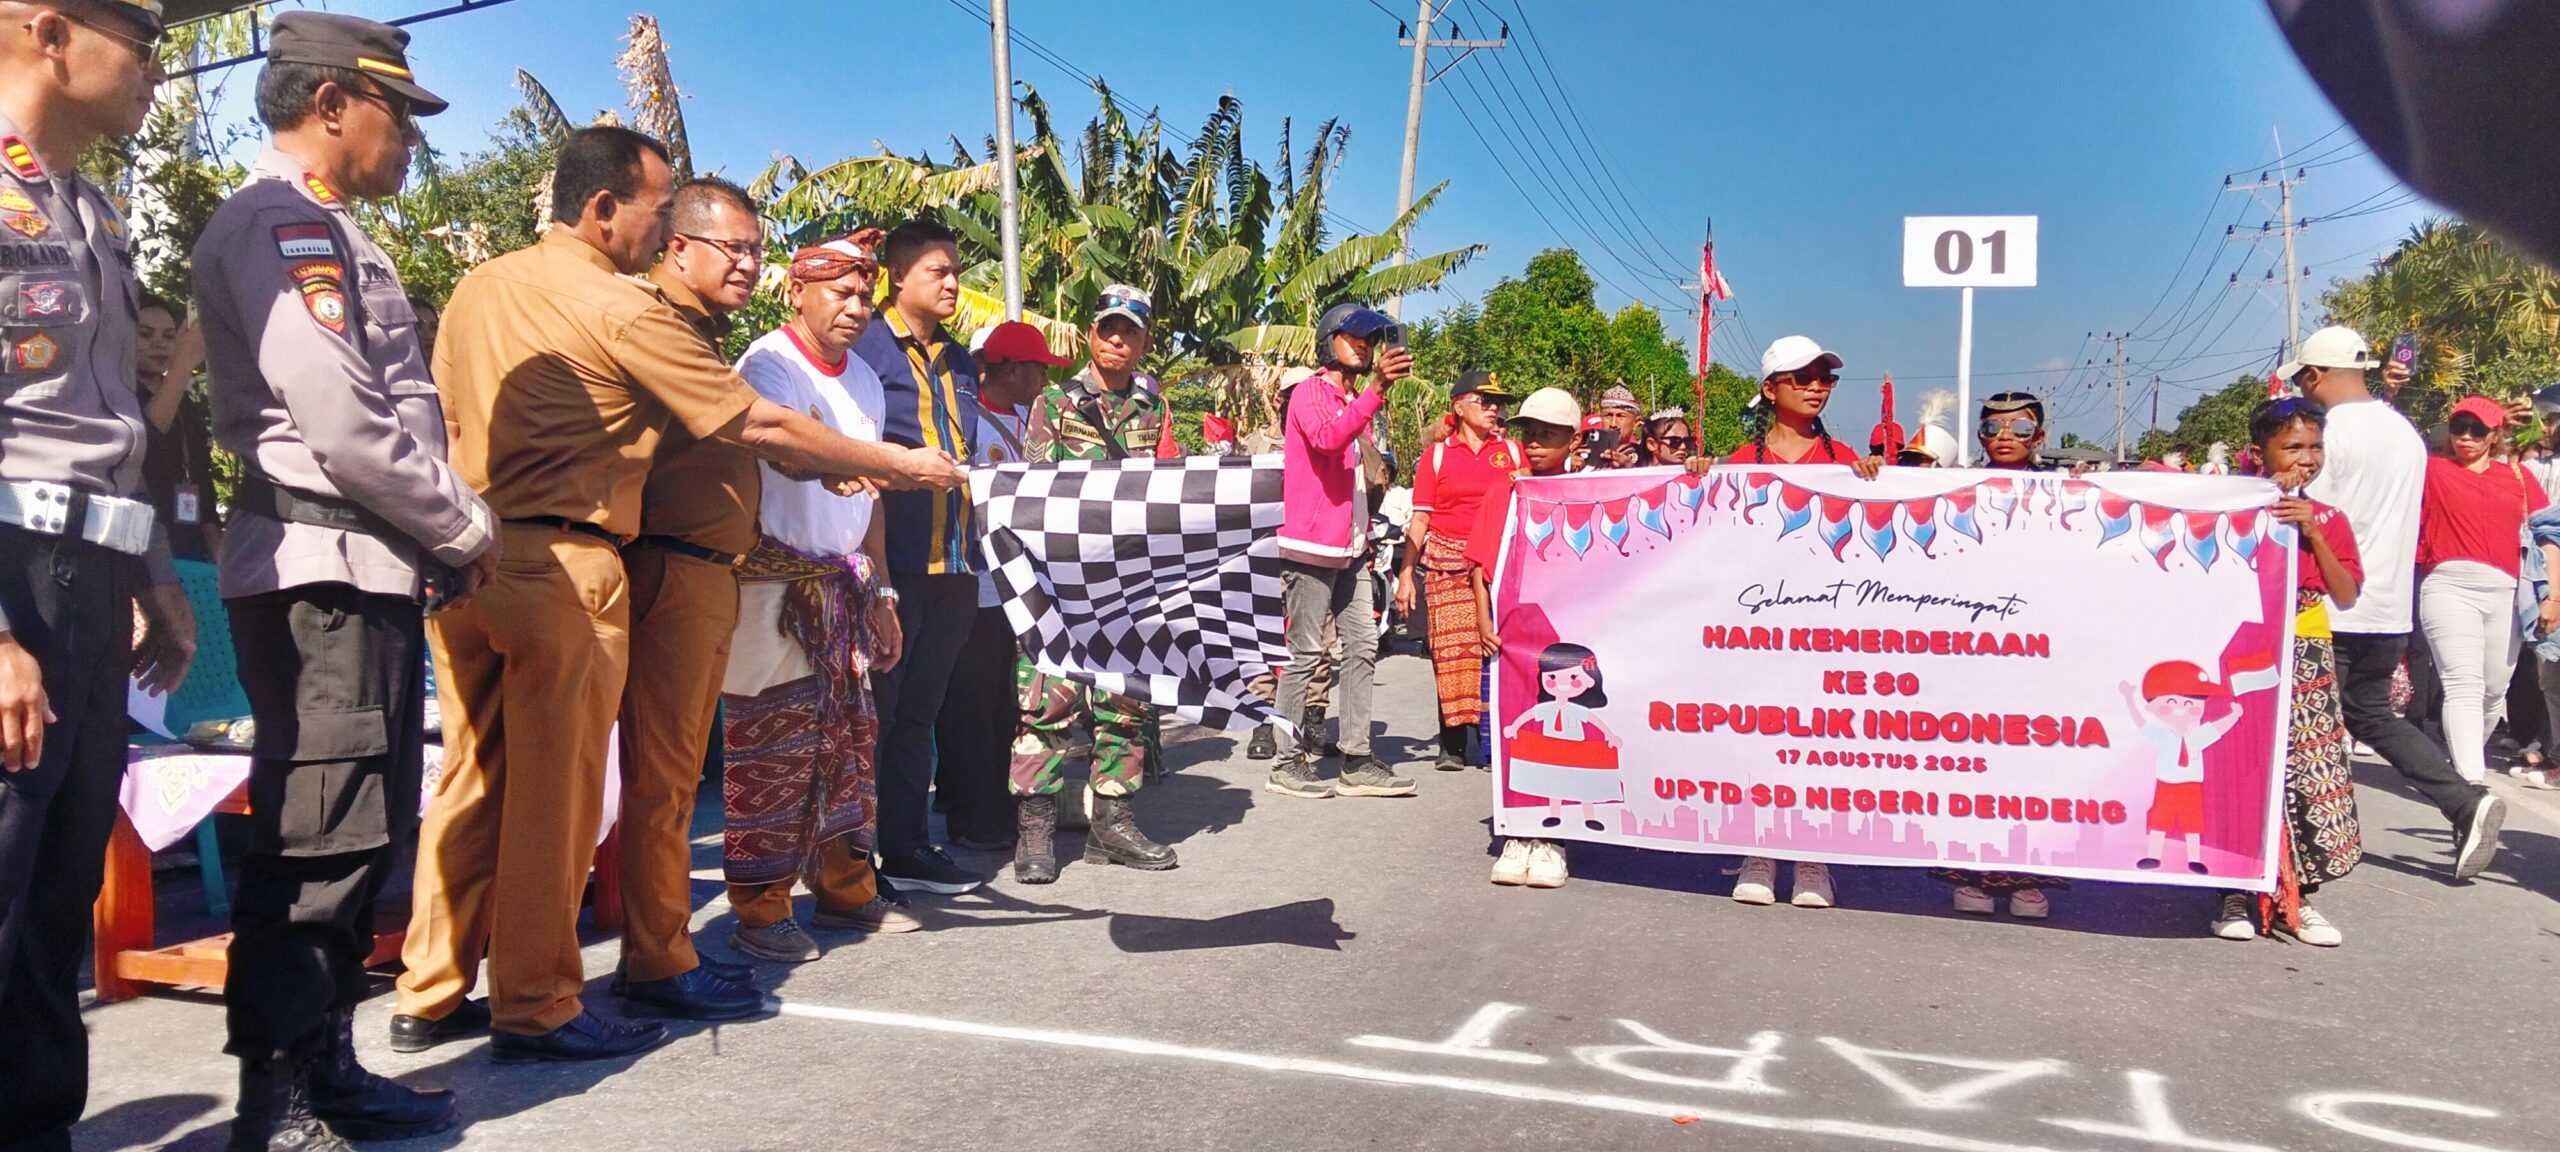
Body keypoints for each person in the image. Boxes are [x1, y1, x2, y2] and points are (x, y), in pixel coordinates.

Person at [395, 126, 963, 1065]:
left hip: (476, 554)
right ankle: (551, 997)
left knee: (477, 780)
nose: (670, 236)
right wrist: (899, 464)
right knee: (568, 794)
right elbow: (761, 426)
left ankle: (432, 986)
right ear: (605, 208)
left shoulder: (482, 286)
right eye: (669, 217)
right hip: (586, 559)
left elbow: (445, 415)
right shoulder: (627, 309)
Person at [190, 18, 491, 1148]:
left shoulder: (326, 227)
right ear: (329, 105)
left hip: (360, 566)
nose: (408, 137)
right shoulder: (283, 224)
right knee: (316, 838)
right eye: (395, 112)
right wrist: (463, 527)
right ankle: (279, 1102)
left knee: (354, 835)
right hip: (321, 566)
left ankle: (325, 1065)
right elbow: (345, 421)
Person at [0, 5, 192, 1147]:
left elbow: (113, 426)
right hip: (11, 580)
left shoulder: (91, 209)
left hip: (91, 577)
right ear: (53, 33)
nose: (156, 67)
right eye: (141, 38)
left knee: (56, 891)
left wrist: (154, 574)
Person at [719, 233, 924, 963]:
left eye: (865, 295)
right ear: (797, 291)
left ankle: (845, 889)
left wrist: (883, 591)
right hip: (771, 585)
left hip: (844, 586)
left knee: (848, 746)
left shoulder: (864, 379)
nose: (856, 307)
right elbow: (782, 447)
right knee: (771, 746)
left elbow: (870, 494)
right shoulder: (767, 363)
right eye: (841, 292)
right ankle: (761, 908)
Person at [605, 176, 771, 1023]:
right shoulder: (658, 325)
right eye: (733, 248)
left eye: (757, 250)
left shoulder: (700, 332)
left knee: (670, 776)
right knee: (664, 780)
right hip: (668, 566)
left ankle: (659, 945)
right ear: (677, 248)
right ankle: (659, 957)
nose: (749, 264)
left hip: (701, 570)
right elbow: (756, 428)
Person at [2297, 325, 2507, 880]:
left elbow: (2313, 514)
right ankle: (2464, 802)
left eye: (2302, 380)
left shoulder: (2327, 433)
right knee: (2370, 714)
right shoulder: (2404, 431)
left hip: (2330, 603)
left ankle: (2298, 847)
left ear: (2314, 374)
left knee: (2302, 725)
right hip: (2388, 604)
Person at [1009, 289, 1192, 880]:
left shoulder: (1153, 408)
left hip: (1129, 583)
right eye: (1108, 328)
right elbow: (1034, 491)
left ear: (1144, 342)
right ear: (1090, 334)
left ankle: (1112, 824)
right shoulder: (1054, 403)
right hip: (1061, 583)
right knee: (1046, 706)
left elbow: (1168, 488)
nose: (1117, 340)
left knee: (1124, 705)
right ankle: (1035, 832)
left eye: (1129, 331)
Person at [852, 217, 989, 895]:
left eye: (957, 272)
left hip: (954, 567)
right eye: (939, 271)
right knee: (873, 717)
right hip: (893, 564)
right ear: (898, 276)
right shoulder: (865, 349)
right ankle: (855, 861)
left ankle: (906, 847)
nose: (953, 284)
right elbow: (856, 455)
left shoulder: (961, 360)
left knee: (918, 717)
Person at [1721, 337, 1882, 909]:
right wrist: (1694, 478)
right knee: (1759, 738)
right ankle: (1759, 851)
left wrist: (1878, 482)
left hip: (1826, 630)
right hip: (1757, 632)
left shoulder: (1847, 463)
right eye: (1802, 378)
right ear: (1770, 390)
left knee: (1818, 742)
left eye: (1825, 378)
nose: (1817, 387)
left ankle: (1814, 856)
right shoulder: (1739, 464)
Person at [2211, 397, 2365, 946]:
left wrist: (2314, 534)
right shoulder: (2229, 509)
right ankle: (2233, 890)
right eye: (2292, 447)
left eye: (2315, 447)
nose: (2307, 459)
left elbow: (2346, 594)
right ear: (2259, 453)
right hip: (2246, 649)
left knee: (2305, 771)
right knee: (2243, 767)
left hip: (2306, 650)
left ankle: (2299, 896)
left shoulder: (2329, 520)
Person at [1920, 391, 2071, 917]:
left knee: (2034, 763)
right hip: (1976, 647)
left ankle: (2027, 877)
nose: (2005, 437)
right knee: (1976, 763)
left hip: (2037, 648)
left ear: (2040, 436)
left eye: (2020, 428)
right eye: (1993, 428)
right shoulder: (1958, 491)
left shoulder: (2067, 494)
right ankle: (1976, 875)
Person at [1269, 303, 1416, 800]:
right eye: (1353, 337)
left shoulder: (1353, 399)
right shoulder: (1310, 392)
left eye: (1370, 339)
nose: (1364, 346)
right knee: (1306, 653)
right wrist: (1378, 390)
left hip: (1351, 547)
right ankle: (1285, 761)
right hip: (1310, 547)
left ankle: (1356, 758)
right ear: (1328, 340)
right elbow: (1328, 439)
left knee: (1363, 646)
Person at [933, 320, 1056, 857]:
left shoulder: (1032, 420)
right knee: (973, 705)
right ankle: (970, 814)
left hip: (1020, 589)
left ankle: (1000, 803)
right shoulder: (967, 423)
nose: (1044, 380)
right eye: (1038, 370)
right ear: (1011, 371)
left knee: (1009, 704)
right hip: (978, 586)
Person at [1467, 386, 1582, 888]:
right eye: (1529, 432)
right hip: (1512, 628)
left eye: (1548, 434)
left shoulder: (1590, 491)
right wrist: (1482, 619)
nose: (1535, 442)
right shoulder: (1506, 490)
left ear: (1573, 440)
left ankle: (1554, 838)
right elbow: (1481, 563)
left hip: (1567, 630)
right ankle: (1518, 829)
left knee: (1565, 729)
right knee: (1516, 726)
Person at [2416, 395, 2556, 784]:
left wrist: (2553, 596)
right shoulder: (2432, 469)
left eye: (2477, 429)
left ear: (2495, 435)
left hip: (2507, 592)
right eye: (2458, 427)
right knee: (2464, 683)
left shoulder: (2518, 477)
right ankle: (2471, 781)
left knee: (2494, 691)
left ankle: (2464, 764)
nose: (2465, 436)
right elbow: (2400, 446)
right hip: (2447, 585)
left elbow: (2549, 536)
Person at [1397, 370, 1518, 772]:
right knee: (1452, 654)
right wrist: (1405, 574)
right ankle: (1452, 742)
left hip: (1499, 563)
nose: (1493, 408)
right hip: (1447, 564)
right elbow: (1420, 519)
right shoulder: (1437, 456)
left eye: (1497, 402)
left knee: (1494, 648)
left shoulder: (1513, 453)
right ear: (1459, 407)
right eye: (1484, 401)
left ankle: (1491, 738)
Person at [135, 293, 218, 560]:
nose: (159, 344)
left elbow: (201, 476)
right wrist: (182, 364)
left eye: (169, 336)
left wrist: (217, 549)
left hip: (189, 544)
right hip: (144, 543)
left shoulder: (184, 402)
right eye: (145, 334)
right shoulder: (118, 394)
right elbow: (146, 441)